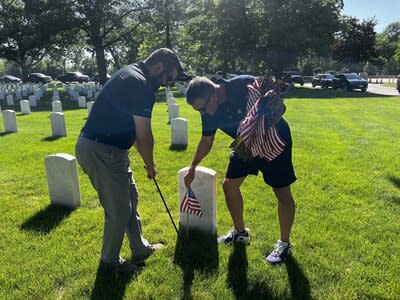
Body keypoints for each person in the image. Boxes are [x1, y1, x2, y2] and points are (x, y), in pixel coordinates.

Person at [75, 48, 184, 272]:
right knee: (118, 208)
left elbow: (130, 127)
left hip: (112, 150)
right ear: (159, 67)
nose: (167, 84)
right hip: (102, 150)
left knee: (131, 198)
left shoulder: (132, 74)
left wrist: (145, 160)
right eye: (169, 79)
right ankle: (110, 262)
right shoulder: (140, 85)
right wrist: (151, 164)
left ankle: (139, 248)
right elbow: (144, 135)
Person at [183, 75, 296, 264]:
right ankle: (240, 234)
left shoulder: (243, 85)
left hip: (274, 141)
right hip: (245, 146)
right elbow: (206, 140)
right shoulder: (208, 112)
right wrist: (193, 166)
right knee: (229, 186)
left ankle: (284, 244)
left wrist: (266, 113)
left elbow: (278, 104)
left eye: (201, 108)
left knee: (282, 192)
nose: (202, 113)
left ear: (214, 96)